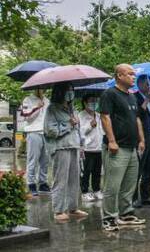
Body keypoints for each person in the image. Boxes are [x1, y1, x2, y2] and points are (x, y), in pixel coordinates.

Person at [99, 64, 146, 231]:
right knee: (112, 185)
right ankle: (109, 217)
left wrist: (141, 139)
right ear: (119, 75)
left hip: (132, 147)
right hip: (117, 148)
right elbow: (105, 117)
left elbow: (137, 119)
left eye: (134, 74)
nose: (133, 77)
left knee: (130, 184)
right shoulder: (109, 94)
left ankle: (126, 214)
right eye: (130, 74)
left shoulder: (132, 97)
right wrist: (111, 140)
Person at [43, 82, 88, 221]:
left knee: (74, 179)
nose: (70, 93)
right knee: (61, 179)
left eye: (72, 90)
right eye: (67, 90)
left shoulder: (72, 109)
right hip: (60, 147)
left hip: (74, 146)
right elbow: (50, 130)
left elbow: (78, 129)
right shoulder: (52, 109)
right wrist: (68, 125)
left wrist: (81, 146)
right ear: (60, 92)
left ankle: (73, 207)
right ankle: (58, 210)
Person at [133, 75, 150, 207]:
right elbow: (136, 115)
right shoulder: (134, 98)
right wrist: (145, 101)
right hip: (141, 137)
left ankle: (146, 196)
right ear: (139, 84)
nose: (148, 86)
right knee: (138, 168)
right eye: (146, 83)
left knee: (149, 169)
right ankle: (133, 198)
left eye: (149, 83)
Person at [21, 88, 51, 197]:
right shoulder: (28, 100)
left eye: (43, 88)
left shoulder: (47, 101)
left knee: (45, 160)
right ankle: (31, 183)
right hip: (33, 132)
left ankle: (43, 183)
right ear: (35, 88)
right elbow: (27, 117)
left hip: (46, 133)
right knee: (32, 159)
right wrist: (37, 107)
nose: (41, 90)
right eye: (39, 87)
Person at [79, 94, 103, 202]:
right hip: (87, 149)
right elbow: (80, 132)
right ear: (85, 103)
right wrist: (90, 126)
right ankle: (84, 192)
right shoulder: (80, 115)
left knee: (97, 171)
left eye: (95, 101)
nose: (94, 103)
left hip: (98, 148)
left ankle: (96, 189)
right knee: (86, 171)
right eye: (91, 101)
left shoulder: (98, 115)